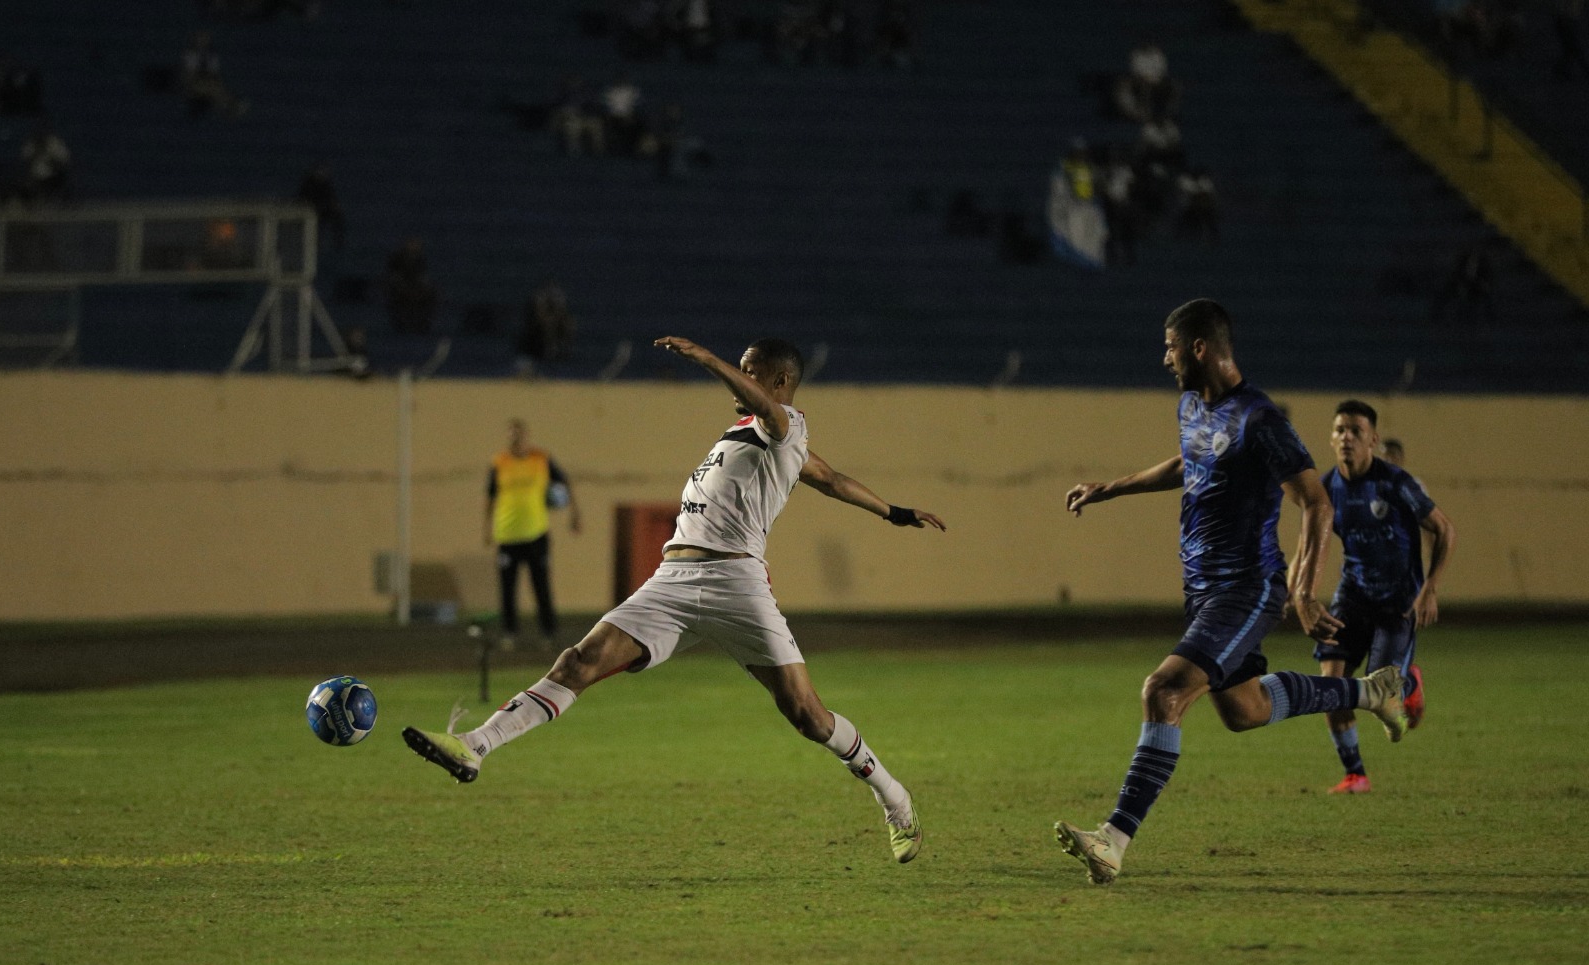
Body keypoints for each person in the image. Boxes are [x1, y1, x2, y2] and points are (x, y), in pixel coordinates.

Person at [404, 336, 946, 864]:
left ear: (780, 383)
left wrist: (707, 359)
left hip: (737, 584)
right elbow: (829, 477)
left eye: (750, 370)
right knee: (579, 660)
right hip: (672, 580)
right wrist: (892, 510)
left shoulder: (785, 424)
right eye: (739, 366)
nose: (742, 377)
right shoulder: (750, 435)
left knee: (808, 716)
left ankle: (895, 799)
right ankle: (474, 745)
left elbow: (802, 446)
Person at [1054, 299, 1411, 886]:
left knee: (1164, 692)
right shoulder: (1192, 405)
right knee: (1245, 710)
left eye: (1171, 346)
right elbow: (1188, 461)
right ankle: (1372, 691)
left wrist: (1302, 590)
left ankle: (1113, 840)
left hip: (1245, 588)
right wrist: (1110, 487)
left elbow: (1315, 502)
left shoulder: (1260, 420)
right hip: (1201, 591)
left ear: (1199, 348)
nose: (1164, 357)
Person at [1312, 401, 1455, 794]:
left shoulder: (1395, 483)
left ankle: (1408, 684)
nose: (1347, 438)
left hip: (1398, 602)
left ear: (1372, 439)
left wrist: (1430, 588)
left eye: (1356, 431)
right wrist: (1302, 592)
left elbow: (1444, 529)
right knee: (1330, 686)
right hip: (1353, 596)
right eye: (1340, 430)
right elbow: (1311, 545)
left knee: (1379, 693)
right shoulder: (1326, 488)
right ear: (1331, 438)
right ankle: (1355, 774)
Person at [485, 419, 581, 649]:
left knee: (541, 585)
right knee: (508, 588)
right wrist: (487, 529)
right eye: (512, 434)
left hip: (536, 534)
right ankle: (509, 633)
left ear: (526, 436)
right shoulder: (499, 463)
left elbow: (565, 482)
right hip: (507, 535)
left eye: (519, 434)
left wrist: (574, 513)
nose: (515, 438)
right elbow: (490, 497)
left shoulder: (541, 459)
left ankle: (548, 632)